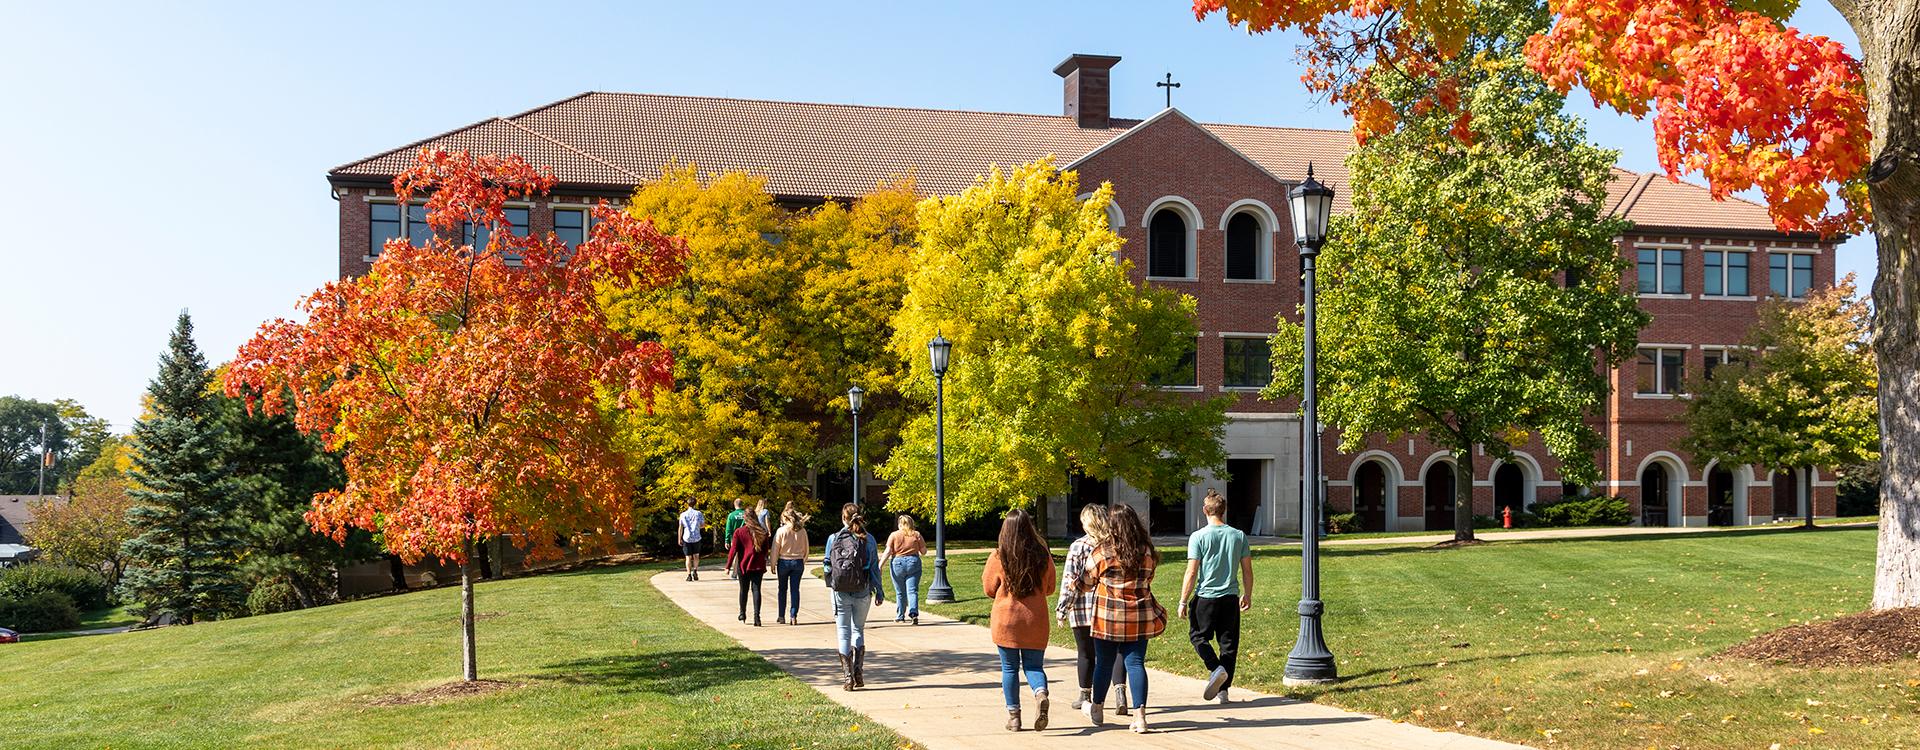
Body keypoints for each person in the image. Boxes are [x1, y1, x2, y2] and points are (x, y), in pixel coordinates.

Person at [1071, 504, 1165, 733]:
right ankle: (1140, 716)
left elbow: (1086, 582)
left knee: (1104, 662)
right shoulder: (1146, 551)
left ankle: (1098, 708)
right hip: (1139, 616)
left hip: (1108, 617)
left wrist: (1076, 585)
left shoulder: (1103, 552)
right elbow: (1149, 577)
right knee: (1135, 663)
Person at [984, 508, 1056, 732]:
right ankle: (1040, 693)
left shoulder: (998, 556)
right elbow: (1050, 587)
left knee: (1009, 668)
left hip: (1006, 620)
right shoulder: (1042, 555)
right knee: (1034, 666)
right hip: (1034, 619)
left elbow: (988, 588)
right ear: (1030, 527)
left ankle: (1014, 717)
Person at [1178, 489, 1253, 704]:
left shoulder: (1198, 537)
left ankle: (1215, 667)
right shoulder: (1238, 536)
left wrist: (1183, 600)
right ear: (1224, 510)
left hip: (1205, 597)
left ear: (1205, 511)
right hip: (1230, 597)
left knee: (1198, 636)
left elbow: (1192, 572)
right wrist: (1247, 594)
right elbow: (1247, 571)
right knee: (1228, 644)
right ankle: (1223, 692)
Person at [1057, 503, 1128, 714]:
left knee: (1086, 653)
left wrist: (1062, 608)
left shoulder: (1078, 546)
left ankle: (1085, 694)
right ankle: (1120, 694)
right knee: (1115, 653)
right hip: (1111, 608)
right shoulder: (1117, 545)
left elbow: (1070, 580)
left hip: (1083, 609)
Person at [822, 503, 883, 691]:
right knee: (858, 630)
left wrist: (832, 582)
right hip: (863, 589)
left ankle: (847, 678)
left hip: (840, 591)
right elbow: (874, 568)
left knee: (843, 631)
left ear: (843, 518)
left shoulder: (833, 538)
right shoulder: (869, 539)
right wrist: (878, 590)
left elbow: (827, 565)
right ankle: (858, 672)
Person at [728, 509, 772, 626]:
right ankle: (757, 617)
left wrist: (728, 566)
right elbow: (765, 551)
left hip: (743, 566)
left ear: (745, 518)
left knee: (744, 590)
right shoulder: (762, 532)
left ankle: (742, 613)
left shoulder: (739, 532)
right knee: (756, 590)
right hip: (758, 565)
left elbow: (733, 550)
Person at [880, 515, 927, 625]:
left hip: (898, 563)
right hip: (913, 562)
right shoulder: (916, 534)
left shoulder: (894, 535)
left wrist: (880, 565)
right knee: (912, 590)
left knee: (900, 592)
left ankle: (900, 616)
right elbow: (924, 552)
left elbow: (888, 551)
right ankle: (914, 613)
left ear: (900, 524)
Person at [773, 502, 810, 625]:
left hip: (784, 561)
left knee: (782, 589)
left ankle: (781, 615)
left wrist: (773, 564)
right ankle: (793, 615)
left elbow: (775, 549)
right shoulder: (802, 531)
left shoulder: (781, 531)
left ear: (785, 518)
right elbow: (806, 549)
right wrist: (802, 560)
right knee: (795, 589)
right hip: (798, 561)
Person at [677, 498, 705, 581]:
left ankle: (689, 575)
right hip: (696, 537)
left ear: (687, 504)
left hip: (687, 537)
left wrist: (679, 538)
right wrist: (697, 527)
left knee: (688, 557)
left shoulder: (683, 514)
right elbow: (703, 525)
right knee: (696, 556)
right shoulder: (699, 513)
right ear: (695, 504)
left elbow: (680, 527)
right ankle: (695, 570)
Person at [723, 499, 747, 579]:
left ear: (734, 505)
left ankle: (734, 573)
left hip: (735, 538)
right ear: (742, 504)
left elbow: (728, 529)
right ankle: (744, 571)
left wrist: (727, 540)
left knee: (735, 555)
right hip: (746, 538)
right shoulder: (746, 514)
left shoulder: (731, 515)